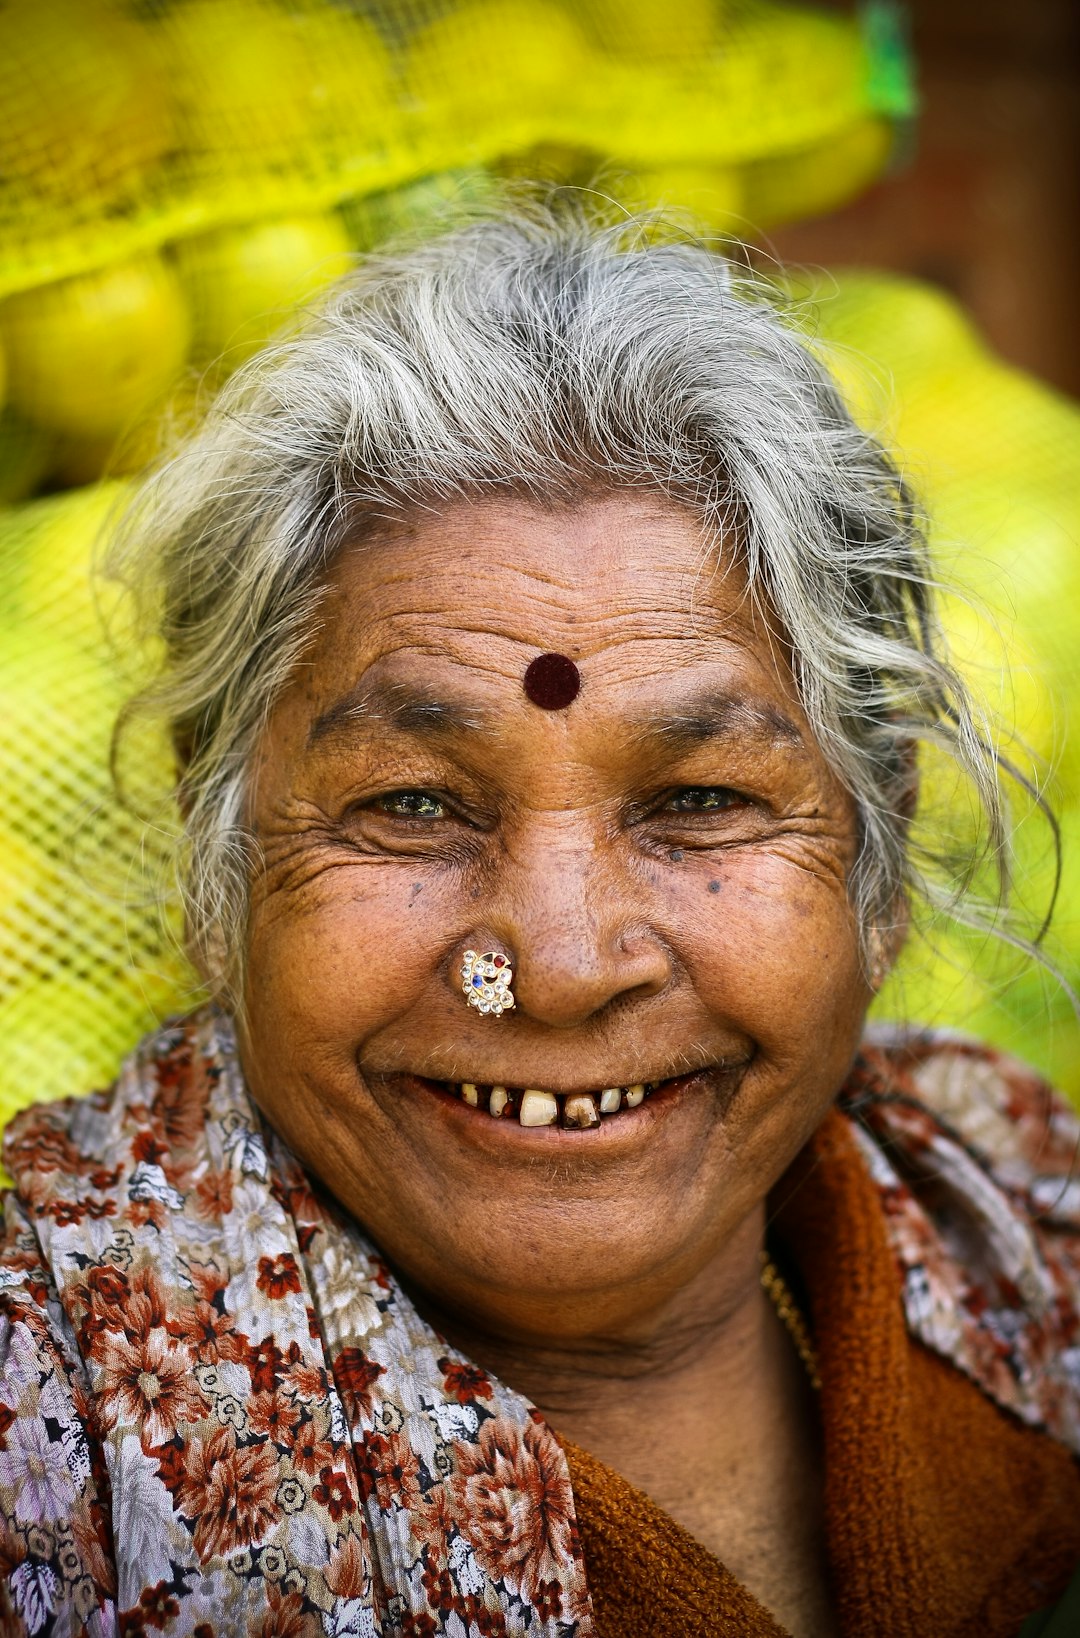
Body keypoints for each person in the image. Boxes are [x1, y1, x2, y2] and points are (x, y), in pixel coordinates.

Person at [1, 197, 1078, 1638]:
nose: (559, 969)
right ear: (224, 847)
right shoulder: (42, 1379)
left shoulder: (1019, 1194)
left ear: (872, 854)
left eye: (697, 800)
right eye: (412, 806)